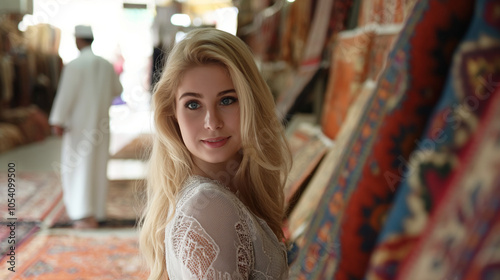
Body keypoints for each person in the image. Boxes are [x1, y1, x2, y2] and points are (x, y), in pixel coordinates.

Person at [139, 28, 292, 279]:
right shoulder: (210, 205)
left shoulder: (208, 194)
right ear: (172, 115)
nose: (212, 122)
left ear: (251, 102)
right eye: (193, 104)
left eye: (227, 100)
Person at [49, 25, 123, 229]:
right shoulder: (106, 65)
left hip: (78, 127)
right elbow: (118, 90)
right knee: (98, 167)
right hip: (100, 126)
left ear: (78, 40)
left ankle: (81, 212)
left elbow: (66, 96)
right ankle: (97, 212)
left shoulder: (74, 65)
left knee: (77, 167)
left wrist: (57, 120)